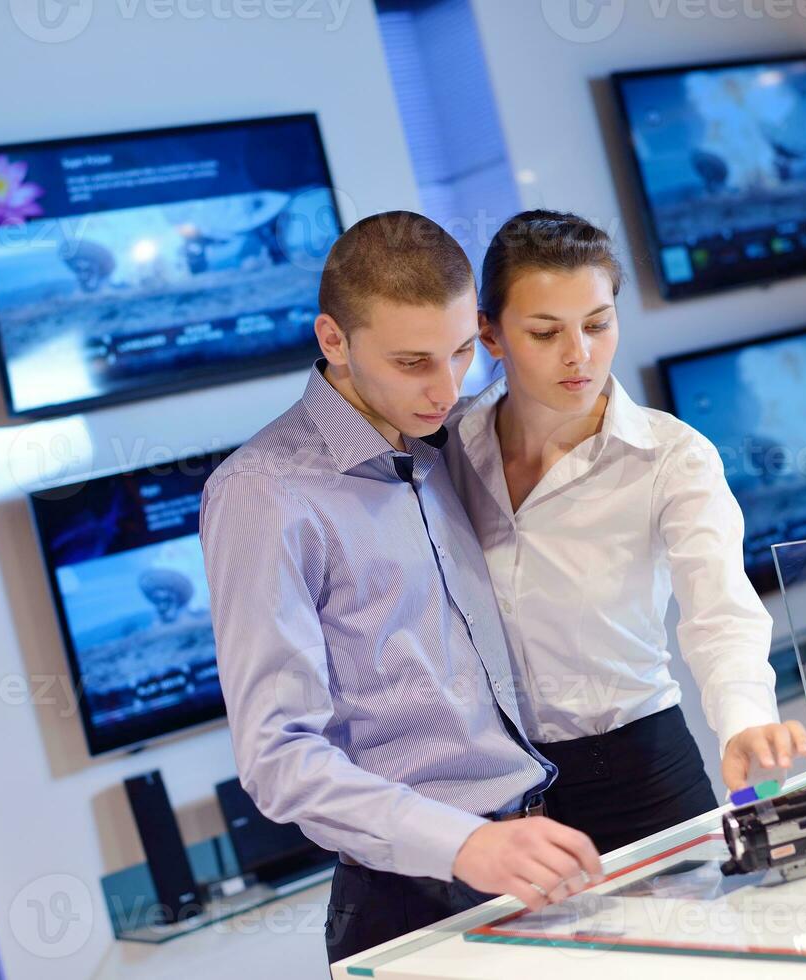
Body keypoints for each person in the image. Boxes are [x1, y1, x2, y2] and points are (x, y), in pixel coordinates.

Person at [199, 211, 604, 964]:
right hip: (416, 895)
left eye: (458, 353)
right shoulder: (262, 494)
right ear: (333, 341)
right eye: (414, 362)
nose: (445, 390)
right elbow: (278, 757)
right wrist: (463, 845)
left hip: (534, 844)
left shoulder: (437, 442)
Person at [444, 210, 806, 856]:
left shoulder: (671, 456)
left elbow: (720, 613)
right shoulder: (447, 445)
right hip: (497, 795)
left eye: (597, 324)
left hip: (638, 771)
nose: (578, 355)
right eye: (544, 332)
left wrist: (746, 721)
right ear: (489, 334)